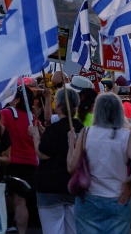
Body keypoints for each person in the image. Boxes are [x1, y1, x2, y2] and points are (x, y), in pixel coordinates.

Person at [68, 93, 131, 233]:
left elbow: (71, 167)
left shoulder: (86, 133)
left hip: (89, 198)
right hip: (117, 198)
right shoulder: (126, 136)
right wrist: (128, 182)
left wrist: (71, 144)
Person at [29, 88, 83, 234]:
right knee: (72, 230)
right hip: (73, 187)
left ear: (58, 104)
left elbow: (43, 154)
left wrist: (35, 136)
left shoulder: (55, 128)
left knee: (53, 230)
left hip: (50, 188)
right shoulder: (81, 128)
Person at [0, 86, 39, 233]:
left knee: (11, 199)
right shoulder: (32, 118)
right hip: (31, 164)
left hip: (11, 162)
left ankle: (8, 226)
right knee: (21, 200)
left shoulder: (5, 114)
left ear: (16, 99)